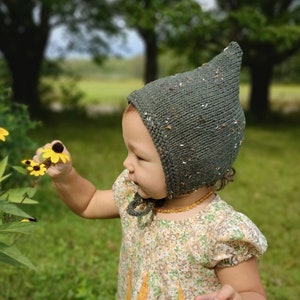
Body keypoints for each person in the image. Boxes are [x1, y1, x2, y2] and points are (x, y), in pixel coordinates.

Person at [34, 42, 267, 300]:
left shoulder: (221, 231)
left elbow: (251, 292)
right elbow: (88, 203)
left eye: (140, 156)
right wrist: (66, 176)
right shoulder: (135, 195)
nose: (127, 164)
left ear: (187, 165)